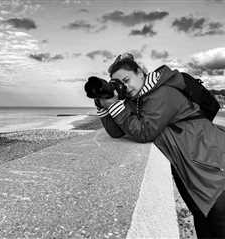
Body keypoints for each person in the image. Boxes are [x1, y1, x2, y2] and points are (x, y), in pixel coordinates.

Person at [92, 53, 225, 238]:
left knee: (218, 226)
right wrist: (104, 104)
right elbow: (116, 132)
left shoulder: (162, 92)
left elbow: (145, 132)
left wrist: (116, 105)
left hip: (211, 167)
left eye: (127, 79)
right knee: (203, 225)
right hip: (189, 169)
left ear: (140, 73)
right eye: (119, 84)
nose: (125, 86)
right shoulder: (137, 101)